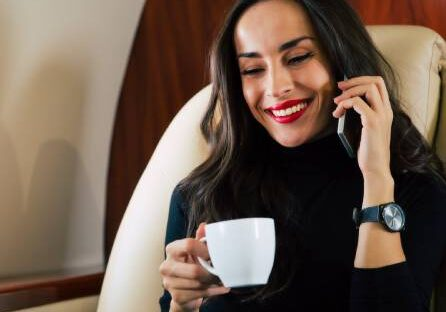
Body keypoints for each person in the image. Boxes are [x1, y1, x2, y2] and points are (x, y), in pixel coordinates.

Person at [158, 0, 446, 311]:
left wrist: (376, 178)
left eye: (297, 58)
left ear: (341, 57)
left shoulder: (413, 189)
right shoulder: (200, 195)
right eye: (253, 69)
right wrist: (181, 304)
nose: (276, 87)